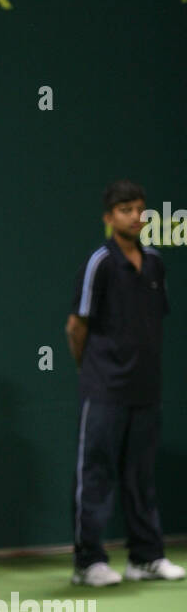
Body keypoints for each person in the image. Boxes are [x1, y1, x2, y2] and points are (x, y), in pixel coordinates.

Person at [66, 181, 184, 587]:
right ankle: (88, 563)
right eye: (124, 210)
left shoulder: (155, 263)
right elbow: (75, 326)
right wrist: (94, 373)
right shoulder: (99, 263)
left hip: (146, 390)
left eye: (139, 209)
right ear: (108, 218)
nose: (135, 216)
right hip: (104, 389)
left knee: (141, 475)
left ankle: (145, 557)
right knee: (95, 475)